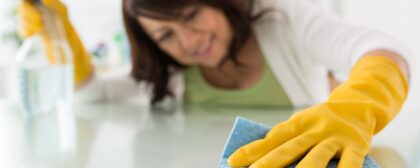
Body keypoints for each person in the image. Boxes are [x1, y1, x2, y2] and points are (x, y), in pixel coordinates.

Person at [18, 0, 412, 167]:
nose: (188, 41)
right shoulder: (172, 74)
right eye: (166, 36)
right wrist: (57, 30)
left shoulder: (281, 17)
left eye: (190, 14)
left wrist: (357, 104)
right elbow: (92, 98)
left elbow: (381, 48)